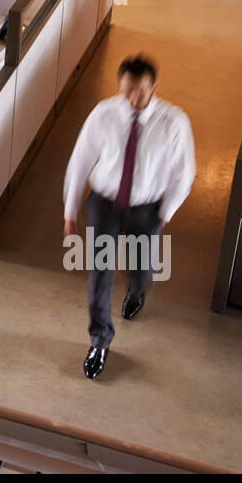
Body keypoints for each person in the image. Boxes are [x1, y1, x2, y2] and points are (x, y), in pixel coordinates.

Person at [62, 55, 195, 380]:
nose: (133, 99)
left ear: (154, 87)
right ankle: (100, 339)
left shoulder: (174, 122)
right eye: (127, 91)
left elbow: (184, 172)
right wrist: (70, 211)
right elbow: (80, 161)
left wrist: (164, 214)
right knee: (100, 272)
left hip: (146, 208)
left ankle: (137, 291)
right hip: (105, 202)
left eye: (140, 92)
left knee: (141, 269)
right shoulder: (104, 114)